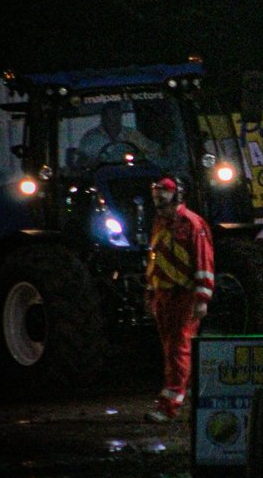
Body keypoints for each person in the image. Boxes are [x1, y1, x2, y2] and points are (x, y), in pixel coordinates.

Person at [144, 177, 215, 423]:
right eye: (156, 190)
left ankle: (169, 407)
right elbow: (155, 259)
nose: (158, 195)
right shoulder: (161, 222)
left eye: (164, 190)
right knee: (171, 349)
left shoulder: (192, 224)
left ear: (176, 194)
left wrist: (202, 297)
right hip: (164, 296)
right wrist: (151, 292)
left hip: (183, 296)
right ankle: (189, 397)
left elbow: (204, 262)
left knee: (178, 349)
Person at [76, 100, 161, 166]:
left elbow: (154, 150)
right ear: (103, 118)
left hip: (130, 175)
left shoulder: (132, 135)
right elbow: (81, 160)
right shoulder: (91, 138)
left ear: (120, 116)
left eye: (116, 115)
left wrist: (141, 157)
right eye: (110, 116)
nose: (113, 120)